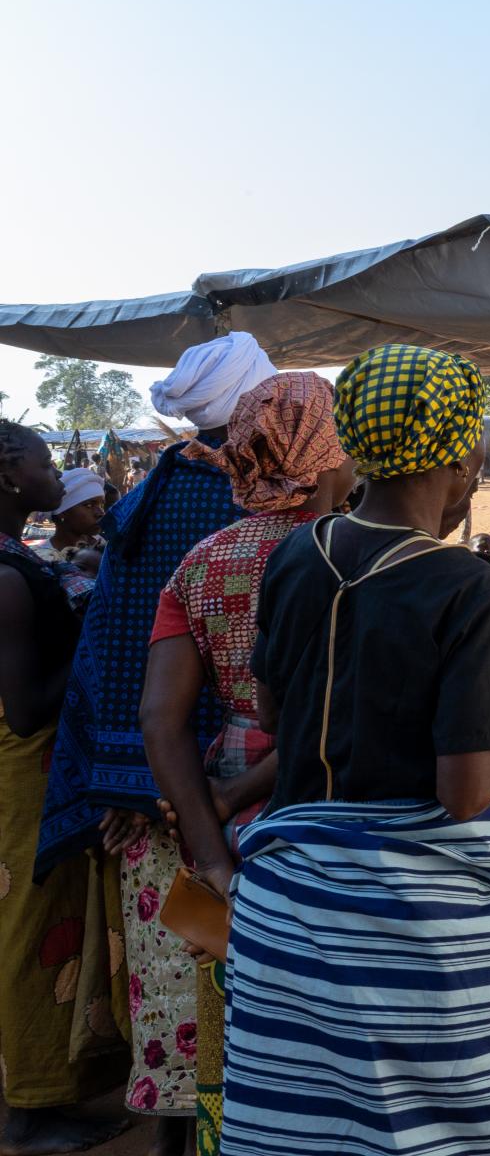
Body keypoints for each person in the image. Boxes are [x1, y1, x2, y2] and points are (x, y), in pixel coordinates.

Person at [222, 343, 490, 1155]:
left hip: (289, 915)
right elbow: (468, 793)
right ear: (464, 456)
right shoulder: (473, 589)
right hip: (411, 936)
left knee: (306, 1125)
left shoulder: (296, 554)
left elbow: (272, 707)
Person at [35, 333, 275, 1145]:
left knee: (174, 996)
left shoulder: (139, 504)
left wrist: (121, 778)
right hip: (266, 789)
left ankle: (176, 1137)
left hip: (152, 793)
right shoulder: (268, 512)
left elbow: (107, 652)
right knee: (259, 1004)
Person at [137, 372, 357, 1156]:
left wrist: (211, 846)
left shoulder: (201, 564)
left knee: (236, 1013)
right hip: (322, 796)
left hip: (226, 788)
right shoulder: (350, 559)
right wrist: (234, 797)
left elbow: (159, 723)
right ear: (323, 459)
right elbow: (327, 718)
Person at [0, 424, 129, 1156]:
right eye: (49, 464)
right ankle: (28, 1106)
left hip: (34, 773)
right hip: (26, 775)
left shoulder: (19, 560)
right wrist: (93, 636)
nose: (62, 475)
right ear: (11, 473)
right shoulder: (10, 576)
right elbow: (23, 707)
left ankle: (46, 1087)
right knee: (28, 925)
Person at [38, 466, 108, 566]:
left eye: (101, 505)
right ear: (62, 512)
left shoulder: (102, 544)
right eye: (88, 505)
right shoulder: (44, 559)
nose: (100, 513)